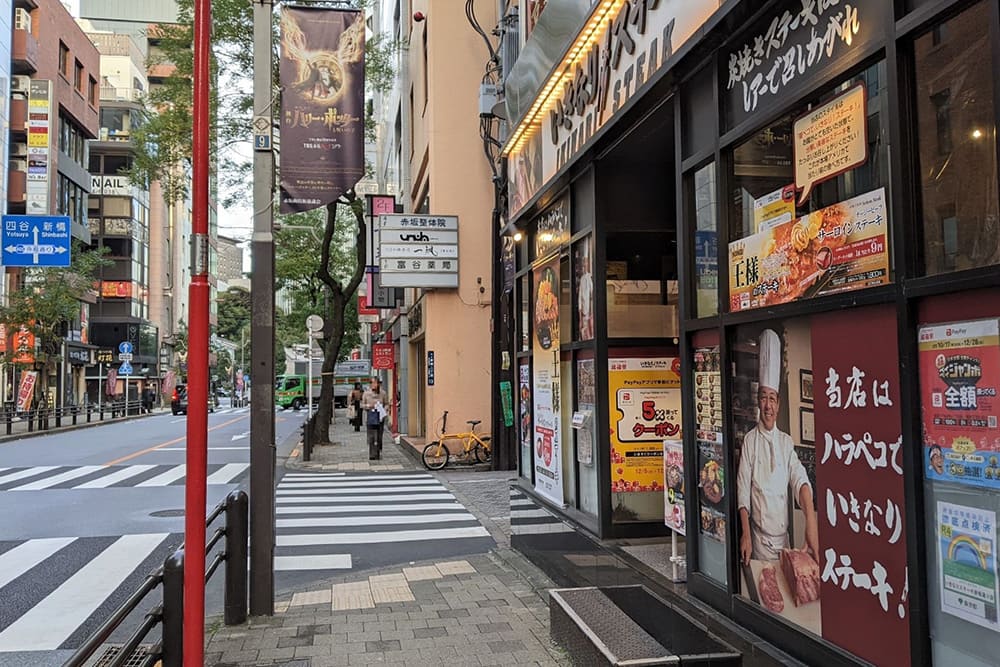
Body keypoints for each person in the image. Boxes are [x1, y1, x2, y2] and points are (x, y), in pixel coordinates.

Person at [737, 329, 819, 565]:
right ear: (758, 401)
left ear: (778, 403)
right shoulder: (750, 441)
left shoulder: (785, 442)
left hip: (783, 539)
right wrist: (745, 534)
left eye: (772, 398)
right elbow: (743, 490)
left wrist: (810, 522)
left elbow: (800, 480)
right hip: (758, 540)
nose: (768, 405)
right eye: (763, 397)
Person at [362, 378, 388, 460]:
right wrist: (368, 406)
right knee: (371, 436)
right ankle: (372, 454)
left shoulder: (383, 393)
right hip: (370, 416)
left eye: (375, 383)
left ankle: (378, 451)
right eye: (372, 383)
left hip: (379, 417)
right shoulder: (366, 393)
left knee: (379, 436)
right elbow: (362, 405)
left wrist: (384, 409)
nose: (374, 385)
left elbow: (386, 404)